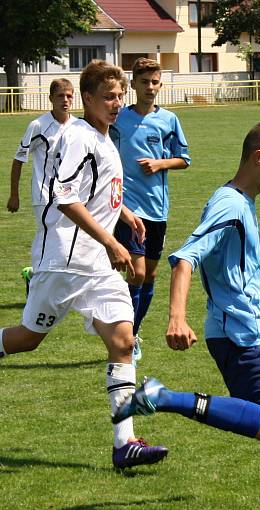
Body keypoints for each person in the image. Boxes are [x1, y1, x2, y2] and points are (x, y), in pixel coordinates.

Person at [0, 60, 168, 470]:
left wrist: (125, 215)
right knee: (28, 338)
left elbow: (97, 192)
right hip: (64, 259)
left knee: (123, 341)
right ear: (87, 99)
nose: (116, 103)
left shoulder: (105, 138)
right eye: (108, 97)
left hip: (95, 267)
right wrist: (111, 242)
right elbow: (65, 198)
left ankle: (125, 443)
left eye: (120, 95)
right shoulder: (78, 138)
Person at [113, 121, 260, 510]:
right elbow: (185, 259)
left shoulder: (241, 200)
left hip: (255, 331)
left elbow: (229, 264)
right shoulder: (230, 204)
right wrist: (176, 317)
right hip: (238, 337)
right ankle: (165, 397)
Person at [112, 58, 191, 364]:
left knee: (150, 276)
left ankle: (133, 329)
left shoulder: (169, 120)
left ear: (160, 84)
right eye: (144, 82)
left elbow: (184, 158)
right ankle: (127, 337)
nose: (150, 87)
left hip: (158, 208)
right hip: (128, 207)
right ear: (133, 85)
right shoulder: (119, 118)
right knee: (138, 271)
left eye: (155, 82)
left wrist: (160, 163)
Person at [7, 78, 77, 295]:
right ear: (50, 99)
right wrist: (14, 195)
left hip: (70, 196)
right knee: (48, 240)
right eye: (60, 96)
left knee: (67, 243)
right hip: (44, 195)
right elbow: (19, 160)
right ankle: (36, 280)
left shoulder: (78, 126)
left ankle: (45, 282)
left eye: (69, 95)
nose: (65, 100)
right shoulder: (38, 125)